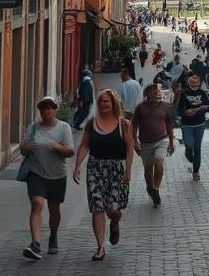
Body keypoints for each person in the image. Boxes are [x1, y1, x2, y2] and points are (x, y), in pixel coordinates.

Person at [72, 89, 135, 261]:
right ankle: (100, 246)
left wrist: (128, 170)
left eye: (106, 101)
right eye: (101, 101)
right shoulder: (92, 123)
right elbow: (85, 145)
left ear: (113, 103)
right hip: (95, 168)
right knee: (97, 207)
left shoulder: (124, 124)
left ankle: (114, 223)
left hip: (116, 170)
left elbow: (130, 148)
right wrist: (77, 165)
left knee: (113, 210)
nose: (103, 104)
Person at [20, 95, 75, 259]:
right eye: (44, 108)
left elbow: (70, 151)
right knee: (37, 204)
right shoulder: (33, 128)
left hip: (57, 175)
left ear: (55, 110)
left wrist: (58, 147)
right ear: (40, 111)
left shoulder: (64, 127)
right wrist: (26, 147)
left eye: (50, 107)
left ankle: (53, 236)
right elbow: (23, 150)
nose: (47, 110)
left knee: (54, 209)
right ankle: (35, 244)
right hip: (36, 173)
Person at [131, 84, 175, 206]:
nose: (157, 92)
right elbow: (134, 126)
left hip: (161, 140)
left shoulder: (165, 106)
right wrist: (135, 143)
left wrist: (171, 142)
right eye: (154, 91)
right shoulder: (140, 107)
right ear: (147, 94)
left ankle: (155, 189)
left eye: (158, 90)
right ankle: (150, 188)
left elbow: (169, 126)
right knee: (148, 169)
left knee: (159, 164)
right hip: (145, 143)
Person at [177, 73, 209, 180]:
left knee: (197, 148)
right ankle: (188, 154)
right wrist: (185, 112)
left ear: (199, 81)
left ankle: (196, 171)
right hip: (187, 124)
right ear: (189, 80)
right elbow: (178, 110)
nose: (194, 79)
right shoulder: (184, 93)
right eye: (192, 78)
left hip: (199, 124)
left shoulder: (202, 93)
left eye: (196, 78)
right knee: (189, 145)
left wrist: (201, 109)